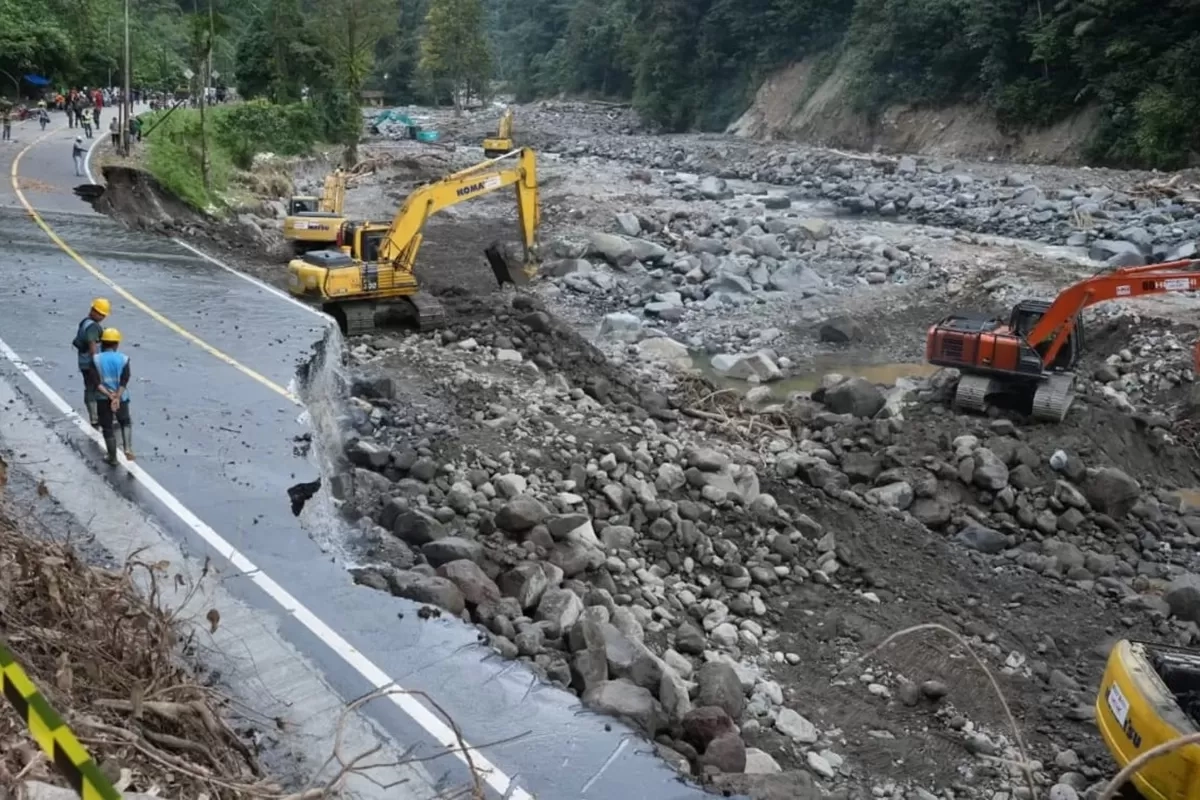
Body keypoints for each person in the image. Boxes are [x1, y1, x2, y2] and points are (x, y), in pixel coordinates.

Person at [90, 327, 134, 465]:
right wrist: (117, 397)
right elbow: (125, 379)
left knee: (107, 427)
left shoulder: (96, 359)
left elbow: (96, 382)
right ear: (116, 344)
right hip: (121, 398)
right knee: (125, 422)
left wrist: (109, 395)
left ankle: (112, 457)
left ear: (102, 343)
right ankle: (127, 447)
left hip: (103, 398)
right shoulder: (124, 359)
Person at [72, 297, 110, 427]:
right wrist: (97, 363)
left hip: (83, 362)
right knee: (94, 389)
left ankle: (95, 416)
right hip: (90, 363)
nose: (103, 317)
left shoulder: (85, 322)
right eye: (102, 315)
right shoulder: (93, 327)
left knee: (90, 388)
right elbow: (93, 345)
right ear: (95, 312)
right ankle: (96, 417)